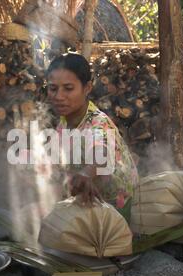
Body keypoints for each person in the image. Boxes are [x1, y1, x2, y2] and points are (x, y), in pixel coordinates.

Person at [46, 53, 138, 222]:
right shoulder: (65, 122)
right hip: (88, 202)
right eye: (53, 89)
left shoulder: (98, 121)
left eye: (68, 88)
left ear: (87, 88)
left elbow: (101, 152)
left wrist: (86, 173)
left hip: (116, 209)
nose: (59, 96)